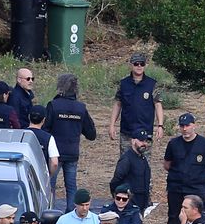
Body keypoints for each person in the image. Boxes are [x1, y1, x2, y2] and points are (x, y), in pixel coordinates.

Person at [43, 74, 96, 213]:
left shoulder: (53, 105)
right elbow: (91, 134)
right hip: (72, 152)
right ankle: (72, 214)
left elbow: (45, 129)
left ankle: (48, 213)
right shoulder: (80, 108)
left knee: (50, 185)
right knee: (71, 186)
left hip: (54, 153)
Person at [164, 113, 205, 224]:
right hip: (176, 189)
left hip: (196, 189)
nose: (185, 128)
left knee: (197, 220)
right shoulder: (173, 144)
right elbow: (167, 165)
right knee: (175, 220)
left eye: (187, 125)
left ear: (194, 125)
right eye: (182, 126)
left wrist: (199, 176)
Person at [109, 52, 165, 157]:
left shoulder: (152, 84)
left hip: (145, 131)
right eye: (136, 64)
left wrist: (160, 125)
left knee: (144, 163)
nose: (139, 66)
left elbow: (158, 105)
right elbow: (118, 104)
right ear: (131, 65)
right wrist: (112, 125)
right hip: (127, 131)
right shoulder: (123, 83)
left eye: (142, 64)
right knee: (125, 163)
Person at [109, 129, 152, 213]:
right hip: (129, 205)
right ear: (133, 141)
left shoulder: (143, 158)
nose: (144, 144)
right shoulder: (126, 159)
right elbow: (116, 181)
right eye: (141, 140)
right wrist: (119, 198)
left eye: (146, 141)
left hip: (140, 203)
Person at [27, 105, 59, 177]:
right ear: (44, 120)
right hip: (41, 177)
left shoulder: (20, 134)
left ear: (29, 117)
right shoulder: (48, 138)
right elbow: (54, 163)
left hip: (23, 175)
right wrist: (49, 175)